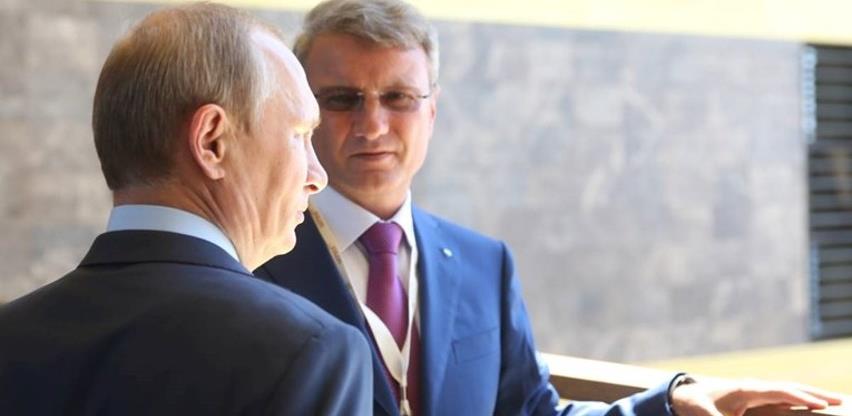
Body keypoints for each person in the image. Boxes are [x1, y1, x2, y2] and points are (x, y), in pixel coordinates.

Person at [254, 1, 844, 415]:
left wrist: (671, 404)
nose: (373, 124)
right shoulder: (253, 258)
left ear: (432, 111)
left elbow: (532, 411)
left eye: (398, 97)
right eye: (343, 99)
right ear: (306, 112)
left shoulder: (484, 264)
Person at [0, 3, 372, 415]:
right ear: (212, 142)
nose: (317, 176)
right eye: (300, 135)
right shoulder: (312, 352)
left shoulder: (10, 337)